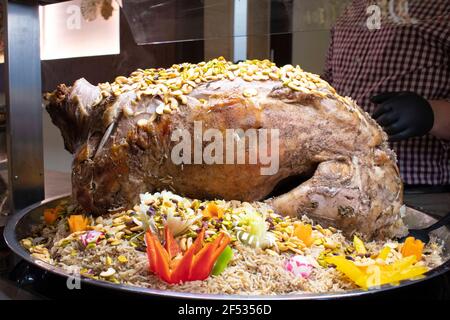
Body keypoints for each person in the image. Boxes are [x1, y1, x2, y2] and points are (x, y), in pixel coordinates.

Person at [322, 0, 450, 216]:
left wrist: (431, 113)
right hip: (343, 190)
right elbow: (327, 89)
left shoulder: (441, 8)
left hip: (421, 197)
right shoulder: (350, 12)